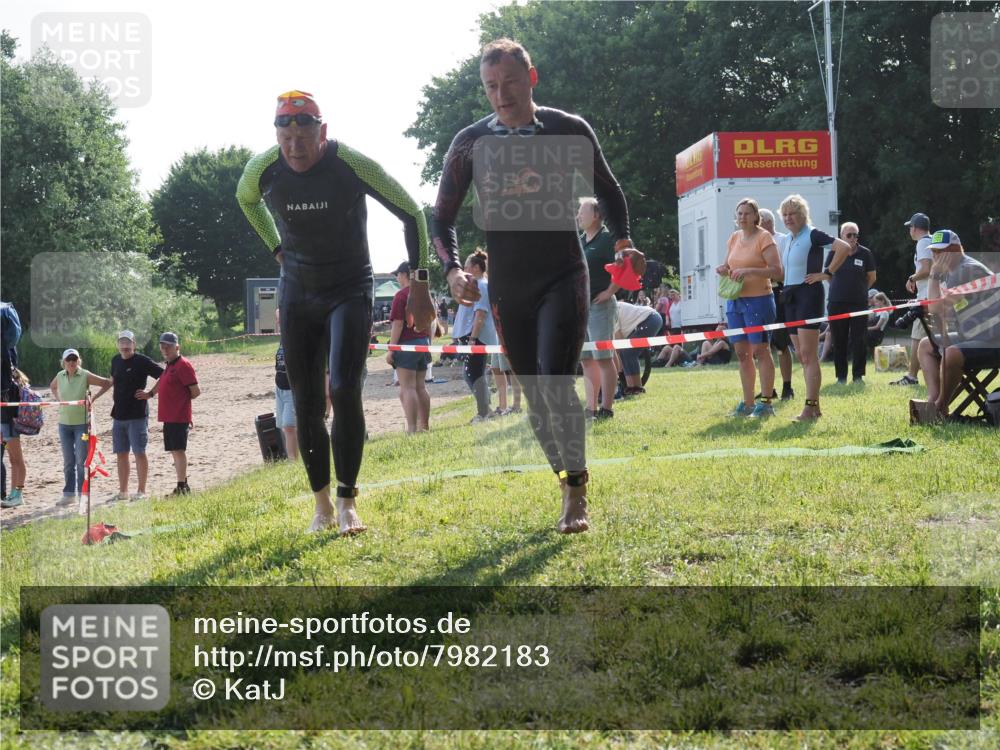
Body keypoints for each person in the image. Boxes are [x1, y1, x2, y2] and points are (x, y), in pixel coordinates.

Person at [430, 38, 644, 533]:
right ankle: (565, 471)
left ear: (532, 77)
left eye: (509, 82)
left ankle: (575, 491)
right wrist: (453, 269)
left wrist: (624, 240)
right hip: (509, 285)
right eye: (490, 86)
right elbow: (441, 219)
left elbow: (608, 189)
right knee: (534, 395)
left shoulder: (568, 129)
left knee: (554, 380)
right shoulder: (469, 142)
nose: (500, 95)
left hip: (563, 273)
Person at [237, 90, 433, 535]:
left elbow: (412, 213)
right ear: (276, 137)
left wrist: (420, 284)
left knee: (344, 390)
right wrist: (275, 248)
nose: (294, 146)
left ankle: (348, 502)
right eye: (285, 137)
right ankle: (321, 505)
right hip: (298, 290)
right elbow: (245, 200)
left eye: (303, 134)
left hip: (349, 288)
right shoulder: (262, 168)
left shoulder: (352, 164)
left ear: (321, 131)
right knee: (306, 403)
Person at [777, 194, 852, 421]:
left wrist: (826, 273)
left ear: (802, 215)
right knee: (802, 354)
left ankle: (809, 408)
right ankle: (815, 407)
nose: (788, 218)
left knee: (809, 355)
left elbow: (844, 247)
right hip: (790, 296)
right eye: (785, 215)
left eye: (793, 214)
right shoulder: (789, 239)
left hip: (808, 295)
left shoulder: (812, 234)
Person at [915, 230, 1000, 419]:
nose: (935, 257)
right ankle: (933, 400)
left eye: (940, 252)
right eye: (933, 252)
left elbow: (935, 308)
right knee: (925, 345)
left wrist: (934, 275)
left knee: (952, 353)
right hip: (972, 336)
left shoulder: (965, 270)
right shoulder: (952, 272)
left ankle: (939, 406)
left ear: (954, 251)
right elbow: (942, 312)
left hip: (993, 340)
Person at [715, 198, 782, 418]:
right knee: (742, 353)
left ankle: (766, 402)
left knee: (760, 351)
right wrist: (724, 269)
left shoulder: (764, 237)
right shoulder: (734, 237)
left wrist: (750, 271)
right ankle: (747, 402)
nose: (742, 217)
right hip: (735, 300)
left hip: (759, 300)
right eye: (739, 213)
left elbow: (777, 271)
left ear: (755, 217)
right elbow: (729, 264)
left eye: (746, 213)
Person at [92, 331, 164, 502]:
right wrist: (94, 397)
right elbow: (111, 382)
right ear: (118, 344)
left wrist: (151, 393)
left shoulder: (142, 361)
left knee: (139, 452)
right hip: (118, 416)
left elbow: (164, 374)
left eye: (128, 342)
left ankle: (141, 492)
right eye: (121, 342)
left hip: (137, 415)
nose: (124, 346)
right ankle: (123, 492)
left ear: (134, 344)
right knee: (121, 454)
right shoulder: (115, 360)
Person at [137, 332, 199, 496]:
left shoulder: (183, 365)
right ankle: (182, 484)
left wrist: (182, 405)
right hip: (169, 416)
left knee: (178, 450)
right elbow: (162, 380)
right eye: (162, 346)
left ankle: (182, 487)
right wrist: (150, 394)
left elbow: (195, 391)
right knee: (174, 450)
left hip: (178, 416)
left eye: (168, 346)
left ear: (177, 347)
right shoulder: (170, 365)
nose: (165, 349)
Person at [49, 349, 111, 507]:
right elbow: (52, 387)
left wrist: (94, 398)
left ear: (78, 360)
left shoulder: (85, 374)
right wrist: (59, 400)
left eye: (74, 359)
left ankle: (84, 494)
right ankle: (69, 495)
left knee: (81, 461)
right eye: (68, 359)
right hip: (64, 424)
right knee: (68, 461)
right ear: (63, 361)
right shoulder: (60, 375)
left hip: (81, 425)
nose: (71, 362)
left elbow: (107, 383)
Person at [577, 197, 620, 420]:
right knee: (586, 359)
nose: (578, 216)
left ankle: (607, 408)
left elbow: (624, 268)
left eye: (582, 212)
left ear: (596, 215)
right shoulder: (581, 240)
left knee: (603, 358)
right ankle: (590, 408)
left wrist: (609, 291)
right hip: (581, 308)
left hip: (600, 307)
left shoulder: (607, 239)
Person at [827, 222, 877, 385]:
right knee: (838, 340)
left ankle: (858, 376)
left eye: (856, 235)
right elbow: (828, 275)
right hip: (837, 302)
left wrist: (861, 290)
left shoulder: (865, 253)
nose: (853, 238)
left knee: (859, 339)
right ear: (841, 236)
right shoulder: (835, 252)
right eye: (849, 235)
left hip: (858, 304)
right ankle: (841, 377)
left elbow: (872, 277)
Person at [387, 261, 432, 433]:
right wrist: (428, 344)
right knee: (420, 387)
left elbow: (398, 325)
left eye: (397, 274)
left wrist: (391, 349)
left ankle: (412, 429)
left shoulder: (400, 296)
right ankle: (424, 426)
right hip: (423, 343)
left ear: (404, 274)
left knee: (407, 388)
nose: (397, 278)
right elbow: (429, 321)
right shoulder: (423, 293)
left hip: (406, 345)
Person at [893, 212, 934, 386]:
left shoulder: (922, 243)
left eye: (910, 227)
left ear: (915, 228)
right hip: (935, 297)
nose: (909, 230)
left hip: (926, 299)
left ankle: (911, 377)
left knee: (917, 338)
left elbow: (926, 269)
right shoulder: (933, 241)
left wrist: (912, 278)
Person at [758, 208, 794, 401]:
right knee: (762, 344)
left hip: (777, 292)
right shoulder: (754, 240)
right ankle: (767, 388)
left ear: (767, 222)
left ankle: (787, 386)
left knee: (781, 343)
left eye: (758, 221)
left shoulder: (782, 240)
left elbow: (783, 270)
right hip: (758, 293)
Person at [1, 301, 27, 508]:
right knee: (11, 457)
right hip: (5, 412)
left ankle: (18, 493)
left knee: (15, 456)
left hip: (8, 412)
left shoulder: (8, 365)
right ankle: (12, 494)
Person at [614, 299, 662, 395]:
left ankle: (637, 388)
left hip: (651, 319)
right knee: (625, 353)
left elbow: (619, 343)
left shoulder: (611, 312)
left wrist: (618, 370)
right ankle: (630, 387)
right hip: (648, 319)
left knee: (628, 352)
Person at [273, 310, 298, 460]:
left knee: (289, 425)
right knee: (284, 426)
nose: (278, 323)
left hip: (292, 388)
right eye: (277, 320)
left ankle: (293, 462)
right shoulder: (283, 338)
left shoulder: (296, 336)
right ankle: (294, 458)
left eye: (280, 320)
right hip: (280, 387)